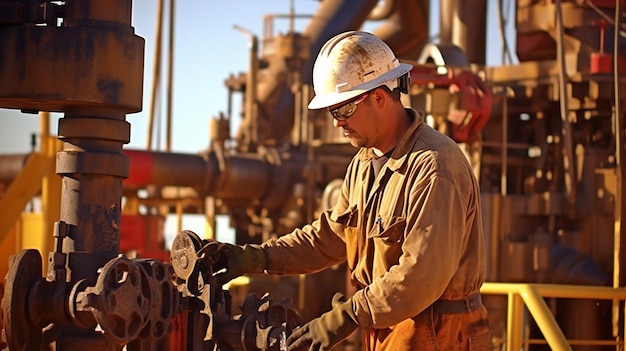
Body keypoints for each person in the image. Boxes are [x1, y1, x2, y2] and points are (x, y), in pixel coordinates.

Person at [205, 30, 492, 351]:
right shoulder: (363, 163)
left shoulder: (434, 165)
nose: (337, 122)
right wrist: (260, 257)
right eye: (332, 113)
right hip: (388, 328)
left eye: (343, 110)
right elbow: (332, 236)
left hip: (439, 334)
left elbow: (421, 276)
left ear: (379, 97)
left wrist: (346, 316)